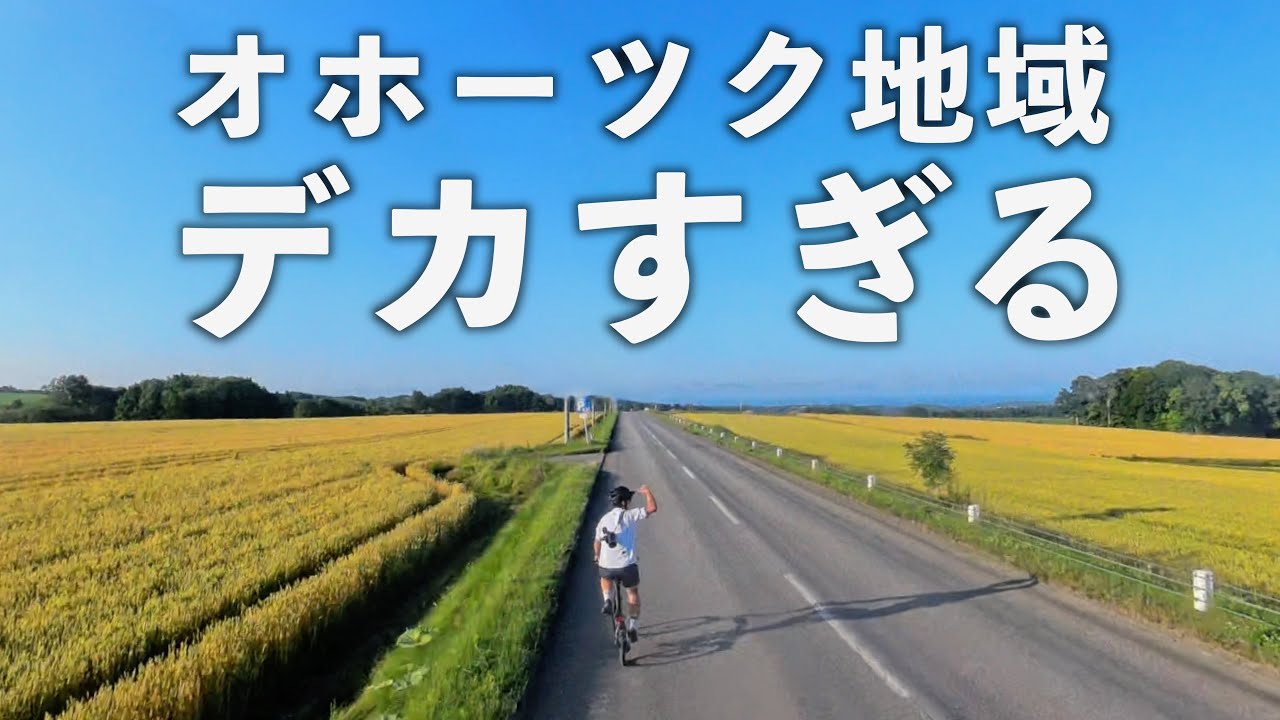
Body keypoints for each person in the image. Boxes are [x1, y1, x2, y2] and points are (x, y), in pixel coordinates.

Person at [594, 483, 657, 642]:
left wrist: (596, 556)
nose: (630, 503)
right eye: (628, 500)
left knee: (604, 577)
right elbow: (652, 508)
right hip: (627, 567)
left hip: (607, 567)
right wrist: (647, 492)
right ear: (624, 502)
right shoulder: (630, 515)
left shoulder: (603, 520)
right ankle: (633, 626)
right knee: (632, 593)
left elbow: (597, 542)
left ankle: (607, 600)